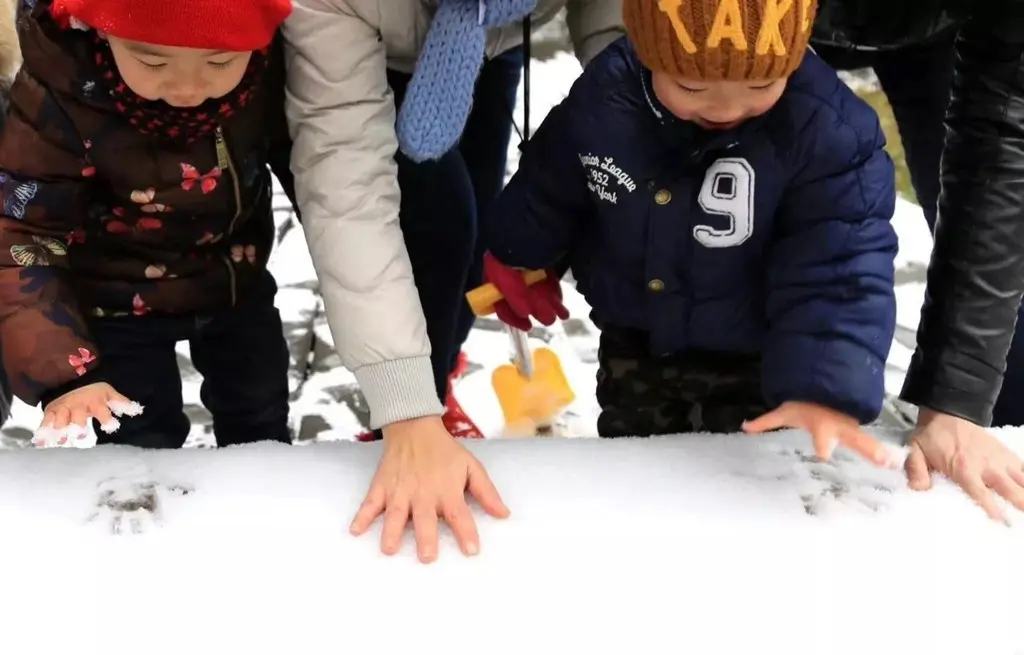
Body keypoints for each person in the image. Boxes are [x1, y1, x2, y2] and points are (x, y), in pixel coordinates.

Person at [476, 0, 899, 467]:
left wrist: (823, 385)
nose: (726, 108)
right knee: (636, 469)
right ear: (647, 48)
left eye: (761, 83)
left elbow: (838, 262)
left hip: (757, 354)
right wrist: (520, 250)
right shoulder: (607, 97)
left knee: (739, 478)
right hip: (637, 342)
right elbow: (554, 181)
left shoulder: (825, 131)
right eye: (692, 85)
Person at [281, 0, 620, 563]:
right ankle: (421, 398)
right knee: (441, 227)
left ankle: (443, 366)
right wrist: (406, 408)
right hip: (368, 46)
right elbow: (348, 191)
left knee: (482, 231)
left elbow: (624, 50)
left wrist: (543, 242)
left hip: (495, 42)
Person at [0, 0, 299, 449]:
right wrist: (66, 375)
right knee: (139, 439)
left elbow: (319, 167)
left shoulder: (269, 71)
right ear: (101, 31)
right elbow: (22, 232)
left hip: (235, 283)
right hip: (113, 301)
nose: (186, 87)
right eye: (152, 60)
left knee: (260, 423)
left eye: (219, 61)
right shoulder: (59, 93)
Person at [812, 0, 1024, 523]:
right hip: (752, 22)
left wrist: (957, 399)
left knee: (1008, 324)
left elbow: (1004, 136)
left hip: (945, 24)